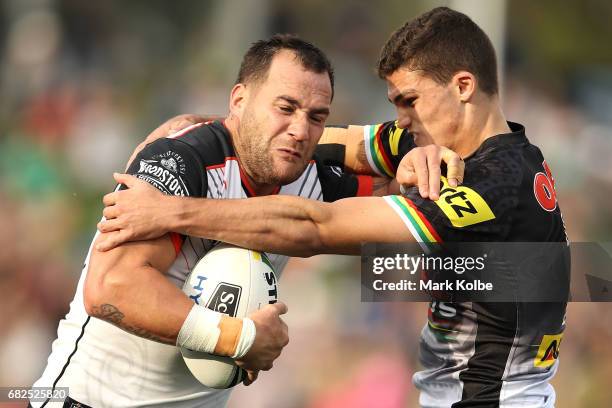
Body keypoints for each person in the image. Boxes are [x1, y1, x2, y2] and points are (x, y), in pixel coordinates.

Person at [99, 8, 570, 408]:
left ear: (463, 86)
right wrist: (223, 127)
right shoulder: (454, 144)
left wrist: (171, 211)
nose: (401, 119)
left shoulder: (495, 184)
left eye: (409, 101)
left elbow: (314, 228)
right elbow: (337, 140)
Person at [31, 34, 462, 408]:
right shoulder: (182, 159)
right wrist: (238, 340)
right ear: (239, 100)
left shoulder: (311, 175)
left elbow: (399, 204)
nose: (299, 129)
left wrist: (420, 162)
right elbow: (110, 288)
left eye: (316, 117)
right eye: (285, 107)